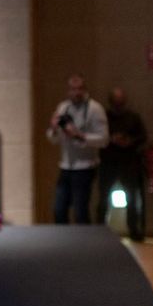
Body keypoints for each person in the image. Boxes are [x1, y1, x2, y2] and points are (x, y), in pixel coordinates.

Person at [45, 73, 109, 224]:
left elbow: (104, 139)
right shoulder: (63, 108)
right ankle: (63, 244)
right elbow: (54, 138)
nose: (76, 93)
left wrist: (80, 136)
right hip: (66, 165)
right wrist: (54, 128)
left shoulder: (95, 109)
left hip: (85, 167)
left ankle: (84, 245)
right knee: (58, 209)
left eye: (79, 89)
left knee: (80, 211)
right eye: (73, 89)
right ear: (68, 91)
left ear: (85, 89)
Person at [96, 86, 148, 231]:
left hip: (129, 162)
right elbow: (98, 136)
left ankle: (133, 228)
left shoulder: (133, 117)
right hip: (108, 161)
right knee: (103, 197)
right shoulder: (103, 118)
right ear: (111, 102)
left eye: (121, 101)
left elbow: (143, 137)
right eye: (116, 102)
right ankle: (100, 228)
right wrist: (111, 139)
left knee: (131, 197)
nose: (119, 105)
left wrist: (129, 141)